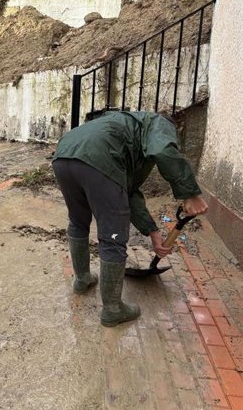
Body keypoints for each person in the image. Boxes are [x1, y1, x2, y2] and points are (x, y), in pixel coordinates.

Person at [52, 110, 208, 327]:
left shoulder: (123, 128)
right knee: (113, 236)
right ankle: (113, 309)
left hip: (64, 156)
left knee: (78, 222)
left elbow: (128, 191)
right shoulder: (159, 122)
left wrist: (153, 233)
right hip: (98, 160)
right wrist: (190, 193)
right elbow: (163, 149)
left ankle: (82, 279)